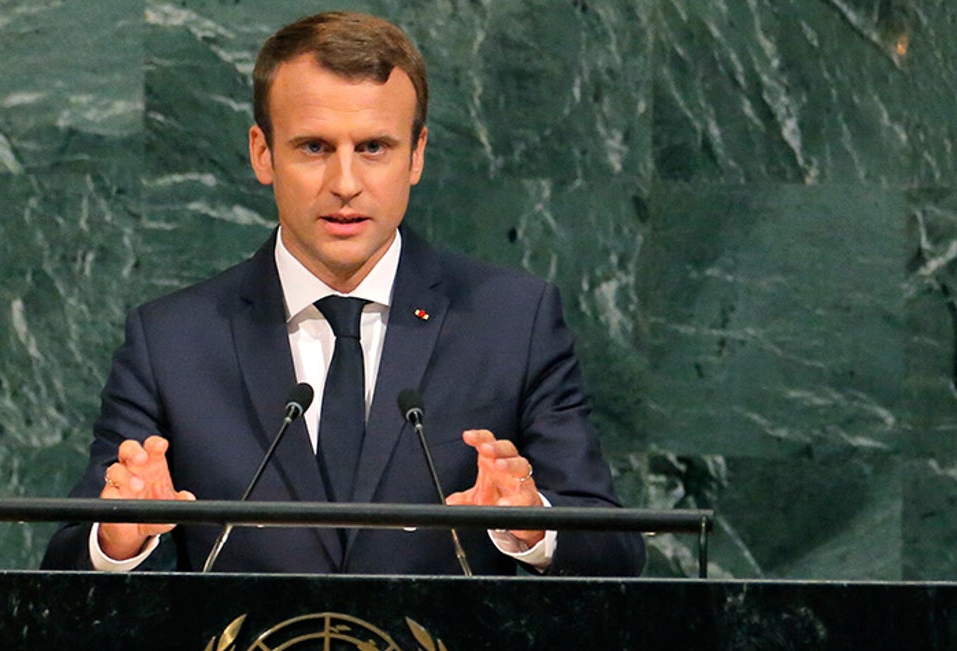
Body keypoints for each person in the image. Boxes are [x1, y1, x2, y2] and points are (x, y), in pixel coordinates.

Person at [42, 11, 645, 576]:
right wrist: (119, 537)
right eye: (315, 147)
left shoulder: (513, 322)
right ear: (262, 153)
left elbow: (614, 550)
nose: (346, 184)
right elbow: (65, 559)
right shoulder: (172, 340)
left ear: (417, 156)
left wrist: (531, 525)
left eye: (374, 148)